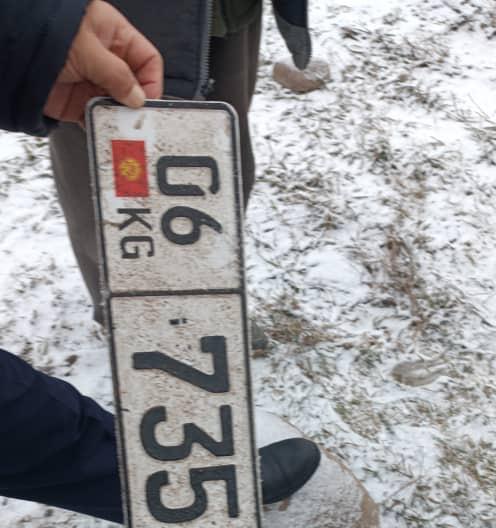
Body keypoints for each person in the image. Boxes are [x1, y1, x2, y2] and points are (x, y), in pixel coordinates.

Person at [0, 0, 319, 525]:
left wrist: (34, 37)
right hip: (122, 15)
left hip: (218, 13)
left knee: (214, 159)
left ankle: (200, 305)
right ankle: (141, 331)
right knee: (119, 186)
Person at [49, 1, 311, 339]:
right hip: (106, 17)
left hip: (225, 14)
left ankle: (206, 300)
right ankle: (129, 311)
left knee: (223, 165)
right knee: (110, 185)